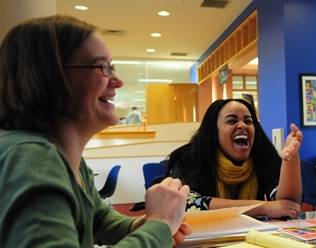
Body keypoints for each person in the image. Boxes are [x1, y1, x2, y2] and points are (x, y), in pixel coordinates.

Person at [0, 15, 190, 247]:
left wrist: (141, 226)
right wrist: (159, 225)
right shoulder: (31, 157)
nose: (118, 81)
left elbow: (99, 220)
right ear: (49, 76)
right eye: (102, 67)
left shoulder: (72, 161)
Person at [167, 99, 303, 218]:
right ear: (215, 132)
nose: (242, 125)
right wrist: (262, 207)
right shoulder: (191, 157)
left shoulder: (262, 155)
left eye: (248, 121)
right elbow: (186, 203)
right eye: (232, 121)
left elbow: (287, 204)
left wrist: (290, 158)